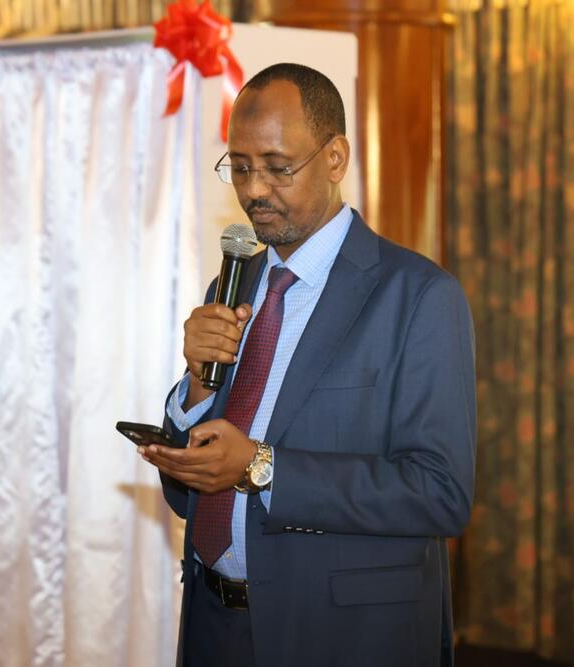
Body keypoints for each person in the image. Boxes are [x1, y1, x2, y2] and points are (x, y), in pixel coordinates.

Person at [139, 62, 476, 667]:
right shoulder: (236, 281)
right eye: (239, 167)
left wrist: (262, 467)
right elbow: (195, 491)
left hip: (342, 637)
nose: (253, 190)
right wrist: (194, 387)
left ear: (336, 158)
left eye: (276, 166)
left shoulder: (418, 295)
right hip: (215, 627)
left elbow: (440, 493)